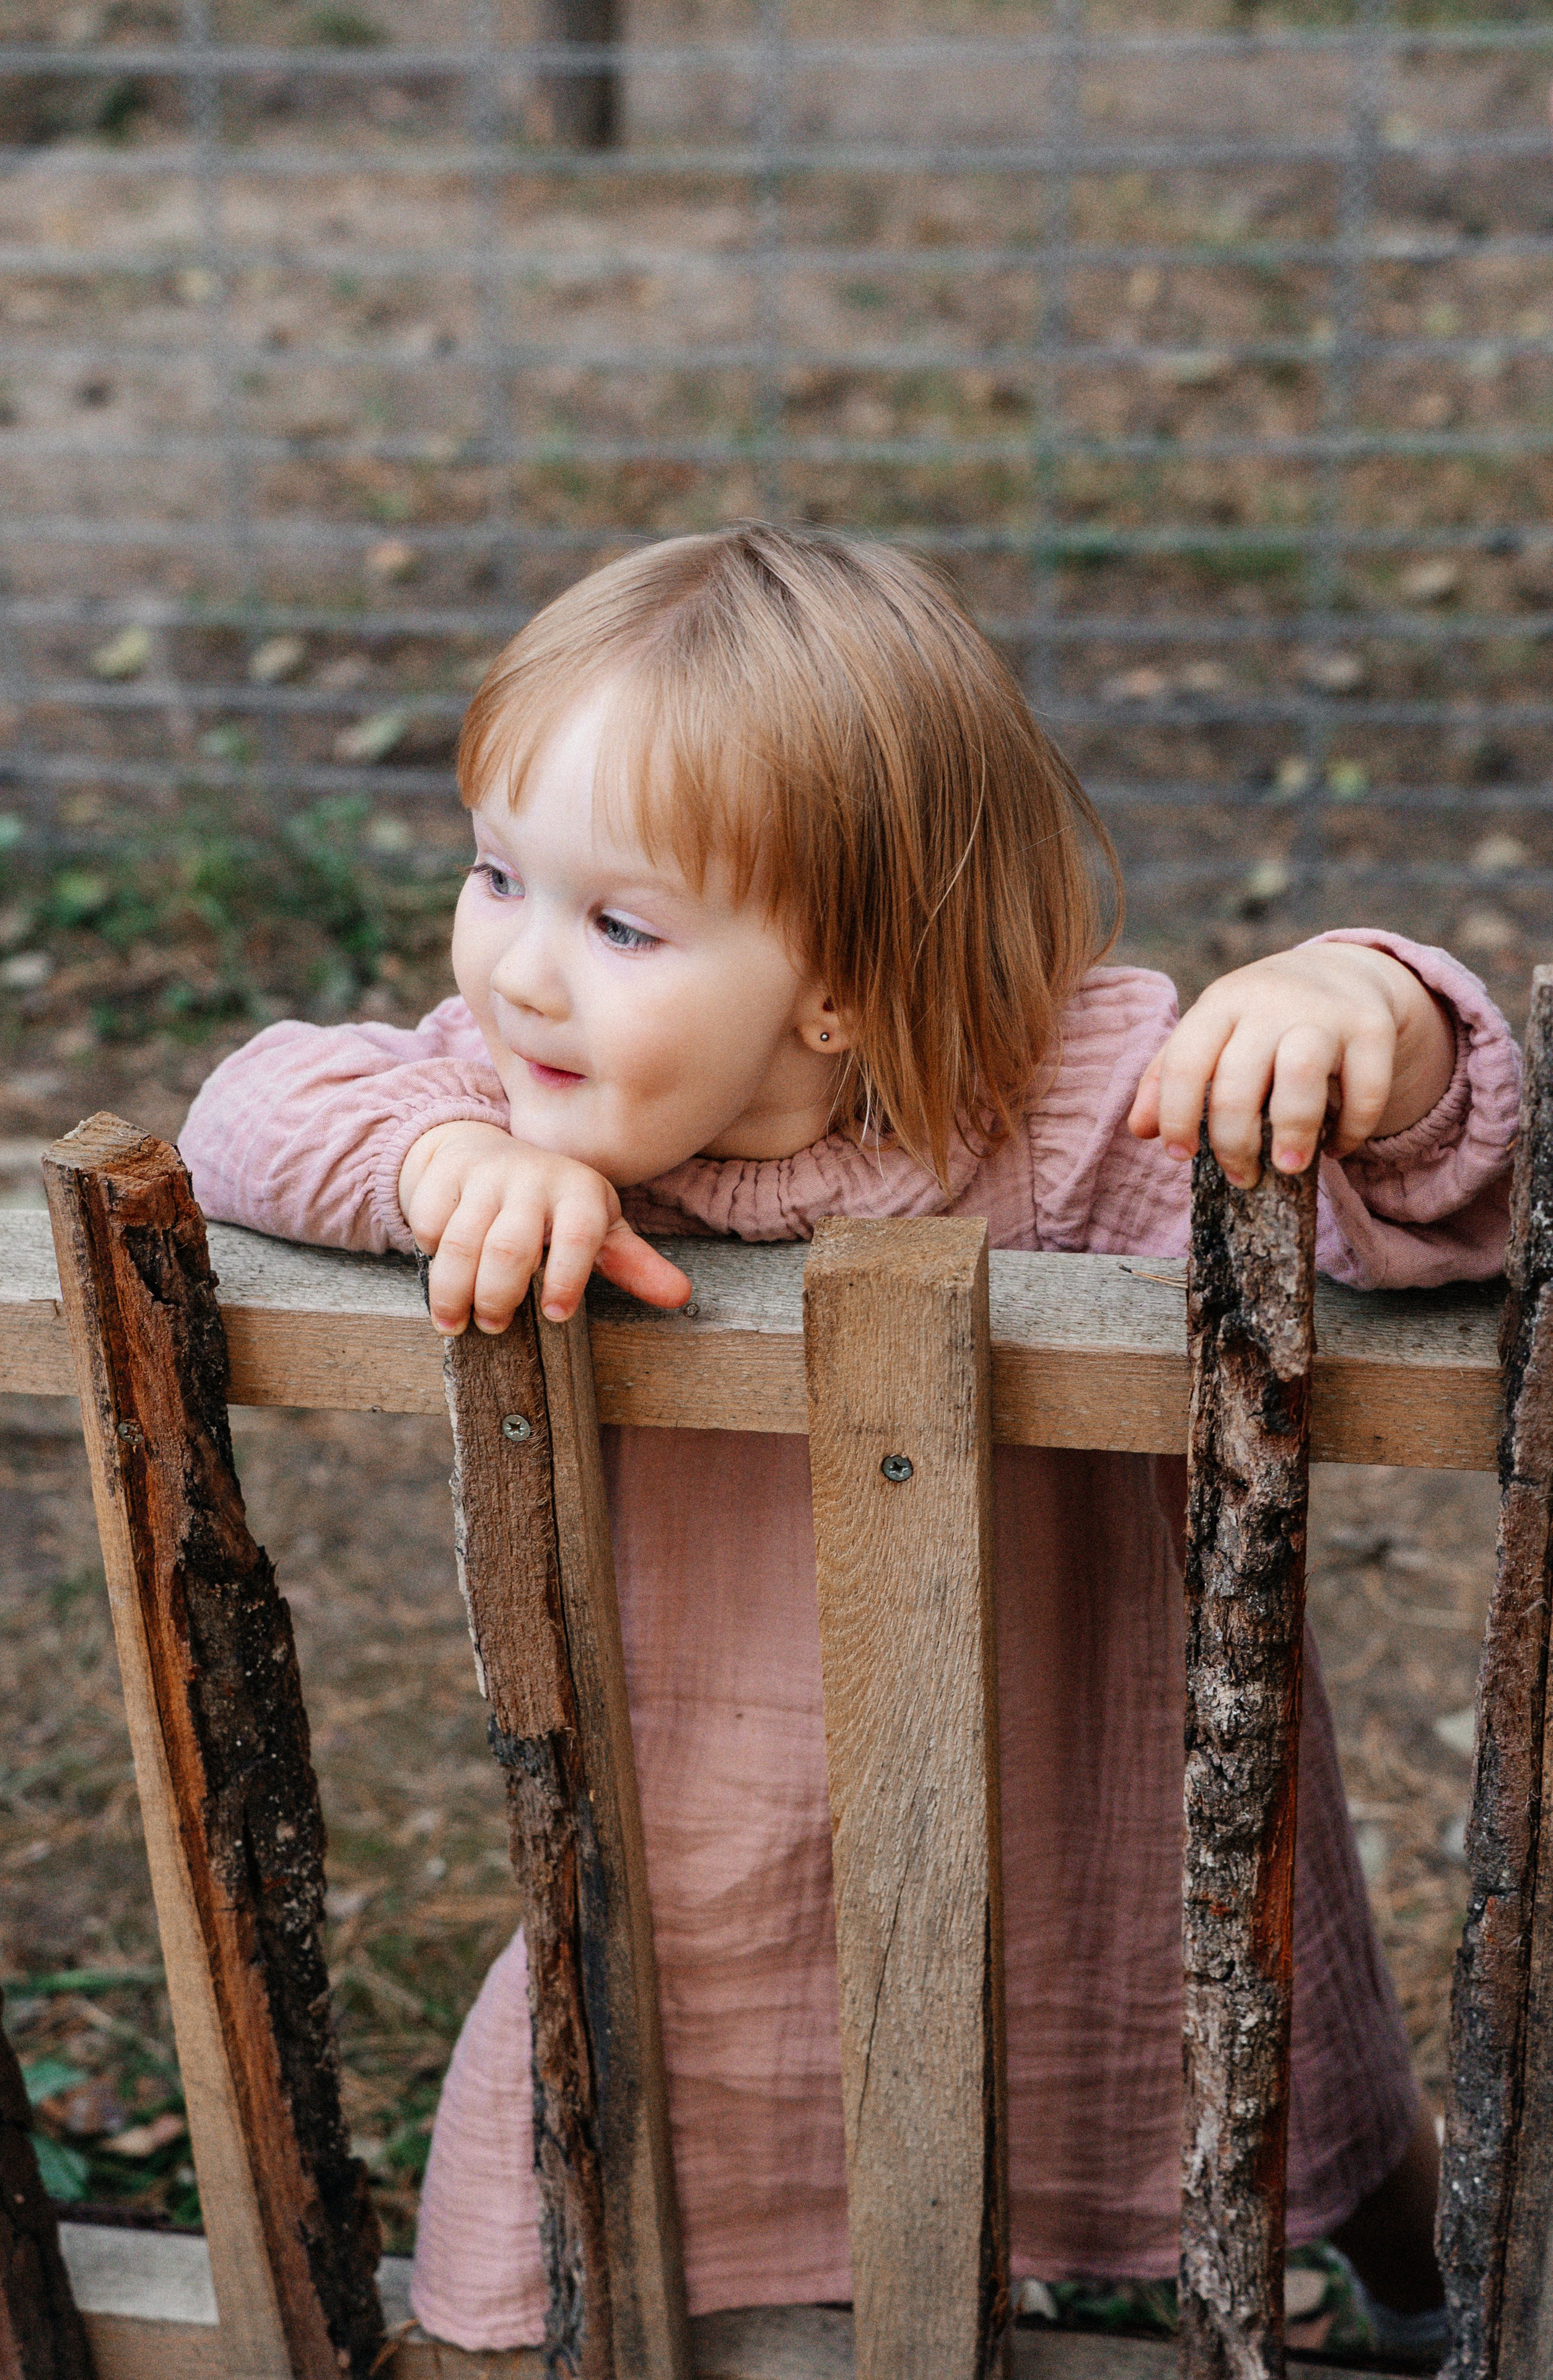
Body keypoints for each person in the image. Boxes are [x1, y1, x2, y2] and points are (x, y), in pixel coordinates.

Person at [178, 524, 1516, 2359]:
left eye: (619, 920)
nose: (523, 972)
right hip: (688, 1817)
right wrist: (440, 1163)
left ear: (835, 980)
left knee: (1274, 2084)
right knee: (635, 2109)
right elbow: (247, 1105)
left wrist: (1369, 1014)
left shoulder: (1057, 1110)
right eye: (497, 874)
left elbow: (1413, 1223)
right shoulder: (514, 1099)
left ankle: (1419, 2296)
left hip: (1084, 1775)